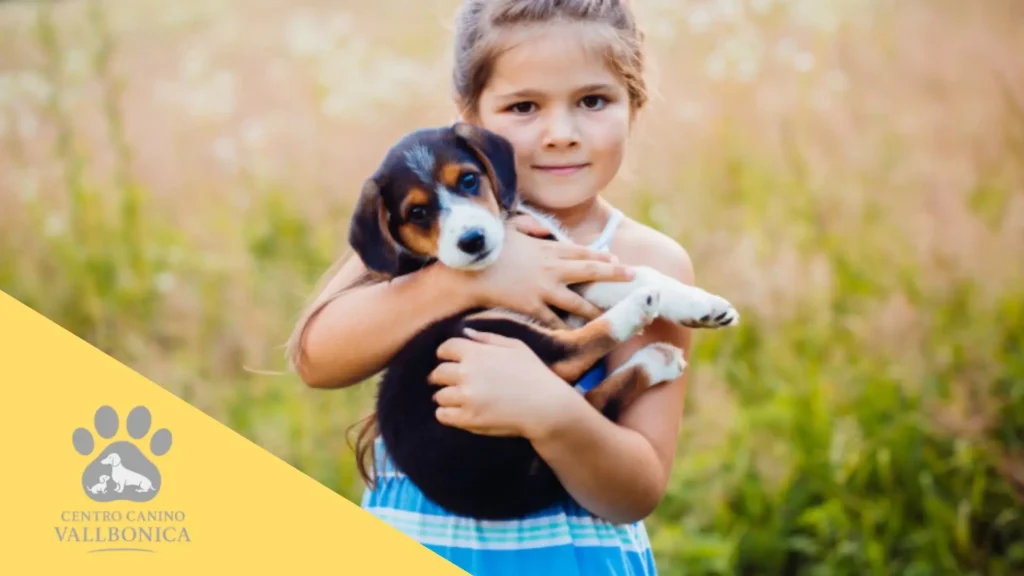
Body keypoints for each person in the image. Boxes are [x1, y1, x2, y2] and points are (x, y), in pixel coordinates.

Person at [286, 1, 697, 573]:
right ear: (471, 118)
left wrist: (551, 412)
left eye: (593, 100)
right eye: (524, 106)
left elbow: (636, 490)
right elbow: (316, 358)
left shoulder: (648, 264)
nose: (560, 135)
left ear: (635, 103)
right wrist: (464, 284)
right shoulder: (429, 232)